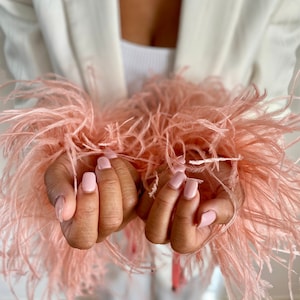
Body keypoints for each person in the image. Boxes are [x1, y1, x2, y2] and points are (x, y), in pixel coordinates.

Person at [0, 0, 299, 299]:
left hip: (198, 261)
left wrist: (230, 168)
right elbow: (28, 107)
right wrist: (57, 159)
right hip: (89, 269)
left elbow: (267, 119)